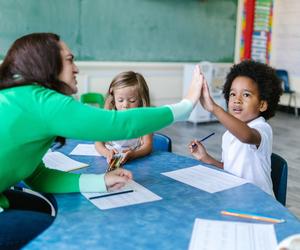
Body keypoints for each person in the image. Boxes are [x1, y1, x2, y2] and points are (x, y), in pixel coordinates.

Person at [0, 33, 203, 248]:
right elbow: (116, 124)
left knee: (45, 212)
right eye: (70, 60)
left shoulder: (20, 97)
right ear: (47, 63)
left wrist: (101, 182)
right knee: (66, 233)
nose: (76, 68)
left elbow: (37, 176)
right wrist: (185, 105)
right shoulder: (40, 100)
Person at [189, 60, 282, 196]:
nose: (237, 100)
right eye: (233, 94)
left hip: (259, 203)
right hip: (236, 198)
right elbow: (228, 169)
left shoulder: (262, 128)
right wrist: (206, 158)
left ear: (262, 105)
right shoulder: (229, 135)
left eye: (246, 95)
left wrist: (214, 108)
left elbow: (247, 136)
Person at [95, 71, 153, 170]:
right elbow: (98, 143)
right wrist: (107, 153)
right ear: (114, 99)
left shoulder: (144, 120)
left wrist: (134, 154)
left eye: (132, 100)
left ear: (140, 100)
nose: (125, 105)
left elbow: (147, 146)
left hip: (136, 163)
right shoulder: (109, 118)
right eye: (120, 100)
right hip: (109, 162)